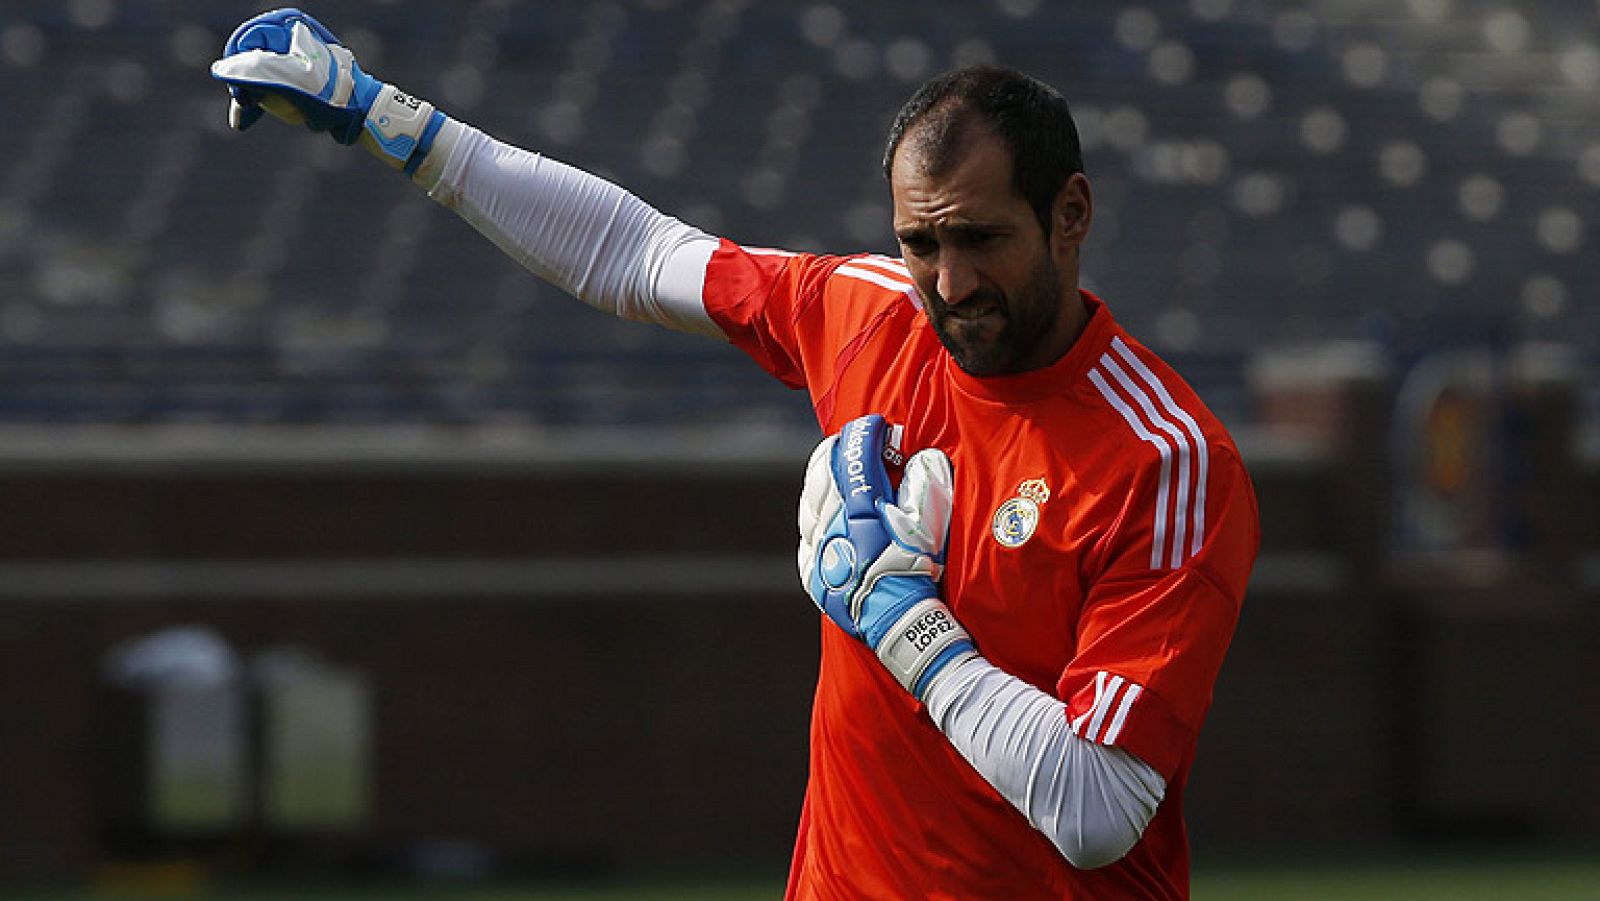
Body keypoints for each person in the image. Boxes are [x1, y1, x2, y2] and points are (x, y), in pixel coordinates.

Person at [212, 9, 1260, 899]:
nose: (948, 284)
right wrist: (386, 118)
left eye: (981, 240)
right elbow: (637, 250)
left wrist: (902, 622)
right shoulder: (870, 316)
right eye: (920, 243)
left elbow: (1096, 806)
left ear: (1070, 214)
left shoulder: (1165, 462)